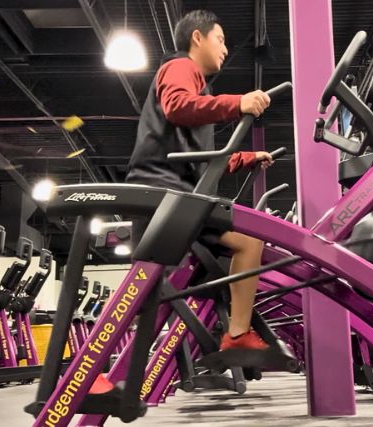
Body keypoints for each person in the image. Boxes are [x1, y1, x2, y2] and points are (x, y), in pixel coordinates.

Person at [126, 10, 274, 352]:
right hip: (162, 191)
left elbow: (201, 159)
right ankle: (102, 373)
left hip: (180, 193)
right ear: (197, 37)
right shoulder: (181, 67)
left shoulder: (199, 86)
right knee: (146, 291)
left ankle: (236, 335)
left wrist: (246, 159)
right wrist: (238, 103)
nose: (224, 49)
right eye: (219, 40)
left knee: (245, 246)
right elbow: (177, 106)